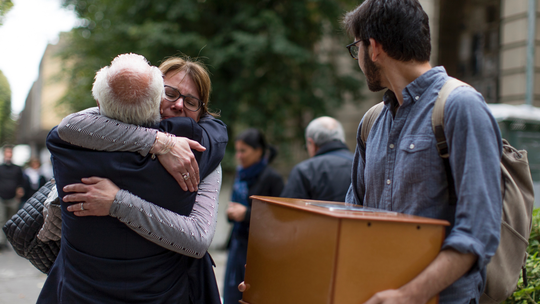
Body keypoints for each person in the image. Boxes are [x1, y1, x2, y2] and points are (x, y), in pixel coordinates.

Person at [341, 1, 502, 303]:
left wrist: (409, 295)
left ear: (374, 48)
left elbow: (478, 231)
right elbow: (351, 222)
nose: (357, 59)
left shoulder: (460, 106)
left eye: (356, 48)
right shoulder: (372, 122)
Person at [39, 53, 226, 303]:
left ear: (201, 112)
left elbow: (198, 239)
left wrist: (117, 202)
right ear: (151, 91)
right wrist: (161, 142)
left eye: (192, 101)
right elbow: (69, 126)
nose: (179, 105)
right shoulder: (100, 131)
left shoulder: (202, 157)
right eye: (170, 93)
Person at [223, 128, 284, 304]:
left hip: (258, 248)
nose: (239, 156)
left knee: (250, 294)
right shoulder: (240, 174)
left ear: (258, 151)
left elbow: (279, 217)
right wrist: (232, 213)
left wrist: (246, 214)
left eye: (244, 151)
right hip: (237, 242)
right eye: (237, 151)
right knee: (232, 292)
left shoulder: (272, 178)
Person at [280, 116, 353, 201]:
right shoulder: (362, 164)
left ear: (311, 144)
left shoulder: (305, 171)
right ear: (342, 140)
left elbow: (287, 210)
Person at [0, 145, 24, 251]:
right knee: (1, 220)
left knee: (11, 221)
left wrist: (19, 192)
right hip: (1, 198)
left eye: (10, 152)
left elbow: (22, 182)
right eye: (7, 152)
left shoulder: (17, 168)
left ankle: (9, 241)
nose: (9, 154)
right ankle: (2, 242)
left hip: (13, 198)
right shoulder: (0, 168)